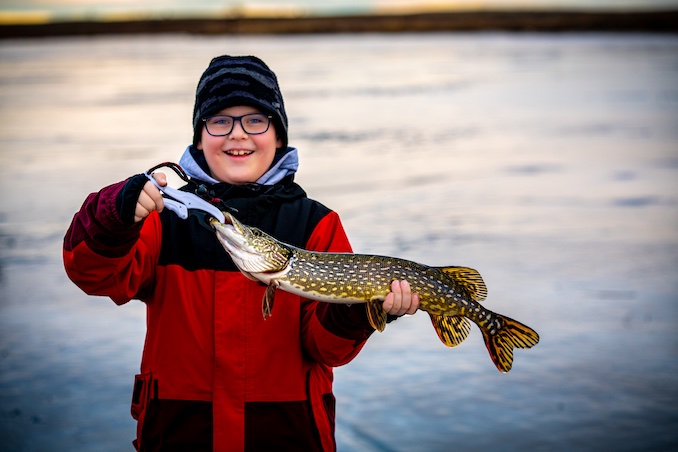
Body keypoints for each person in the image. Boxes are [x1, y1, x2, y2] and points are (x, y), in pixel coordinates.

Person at [63, 55, 419, 451]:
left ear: (279, 136)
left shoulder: (317, 224)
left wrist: (361, 311)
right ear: (199, 137)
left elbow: (326, 348)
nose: (237, 134)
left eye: (255, 120)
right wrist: (114, 213)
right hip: (180, 433)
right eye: (219, 120)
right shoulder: (164, 219)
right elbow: (93, 275)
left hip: (288, 434)